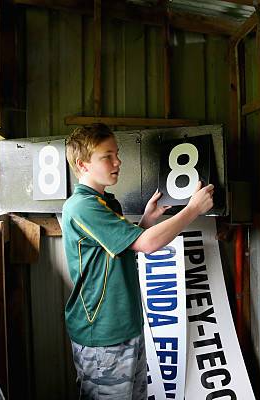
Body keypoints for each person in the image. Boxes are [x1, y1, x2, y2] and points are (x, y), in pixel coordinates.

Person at [61, 124, 214, 399]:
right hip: (103, 334)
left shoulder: (105, 201)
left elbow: (122, 248)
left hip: (124, 326)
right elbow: (146, 244)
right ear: (83, 165)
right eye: (107, 156)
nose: (117, 161)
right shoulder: (82, 206)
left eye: (116, 153)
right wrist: (192, 210)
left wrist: (146, 220)